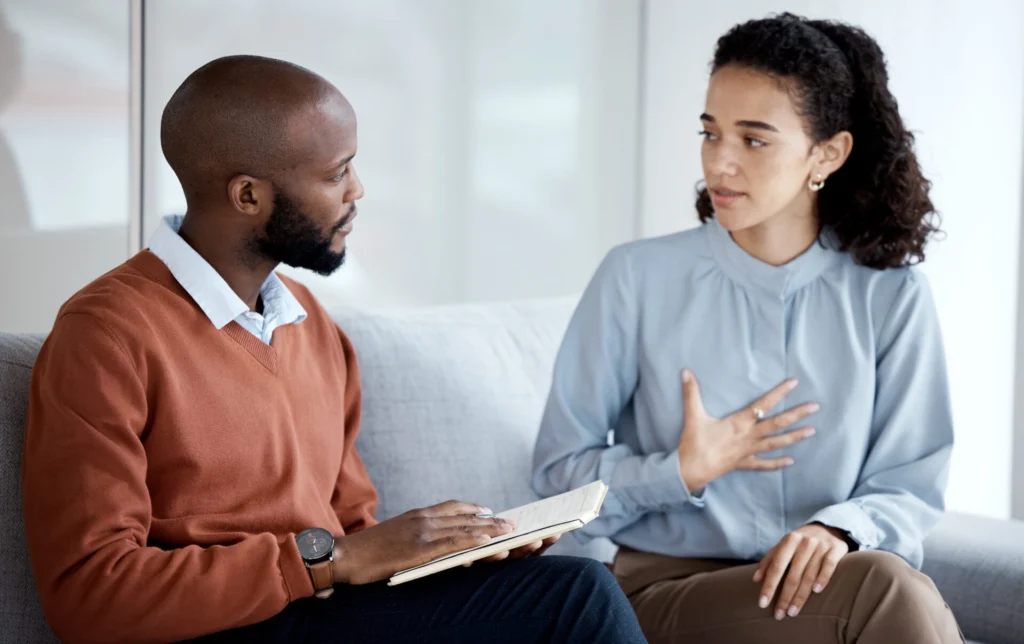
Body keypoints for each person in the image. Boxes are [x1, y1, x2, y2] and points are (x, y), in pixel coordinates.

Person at [21, 55, 646, 644]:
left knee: (545, 592)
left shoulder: (309, 322)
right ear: (248, 197)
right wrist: (331, 559)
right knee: (577, 598)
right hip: (213, 631)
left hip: (319, 617)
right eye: (335, 172)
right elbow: (88, 593)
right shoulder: (104, 334)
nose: (358, 190)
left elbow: (354, 537)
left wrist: (458, 558)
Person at [532, 13, 963, 644]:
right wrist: (680, 470)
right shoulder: (636, 277)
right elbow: (554, 477)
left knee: (882, 582)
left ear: (828, 154)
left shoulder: (890, 294)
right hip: (656, 590)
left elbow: (910, 482)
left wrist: (838, 529)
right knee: (888, 591)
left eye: (753, 140)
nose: (720, 162)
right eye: (711, 133)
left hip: (814, 585)